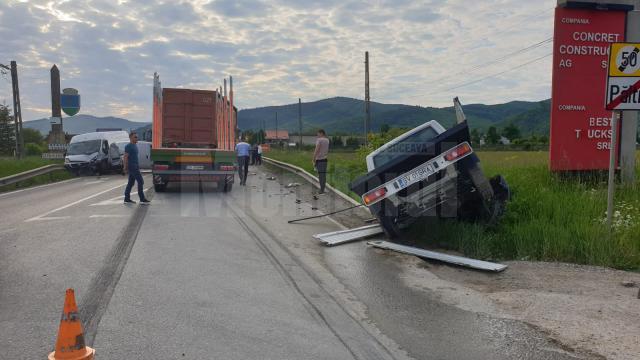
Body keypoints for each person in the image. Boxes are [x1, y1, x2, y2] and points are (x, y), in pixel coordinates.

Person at [123, 132, 150, 204]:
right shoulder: (128, 146)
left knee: (131, 183)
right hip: (132, 167)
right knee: (141, 181)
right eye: (135, 137)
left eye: (137, 137)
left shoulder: (135, 145)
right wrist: (125, 167)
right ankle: (142, 199)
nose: (137, 138)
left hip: (135, 166)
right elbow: (125, 157)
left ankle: (127, 199)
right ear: (131, 138)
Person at [312, 129, 330, 194]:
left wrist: (313, 158)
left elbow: (317, 149)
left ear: (321, 133)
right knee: (323, 175)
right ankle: (323, 187)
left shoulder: (319, 140)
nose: (317, 135)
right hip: (325, 159)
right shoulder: (327, 140)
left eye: (318, 134)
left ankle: (322, 190)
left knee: (320, 175)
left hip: (319, 159)